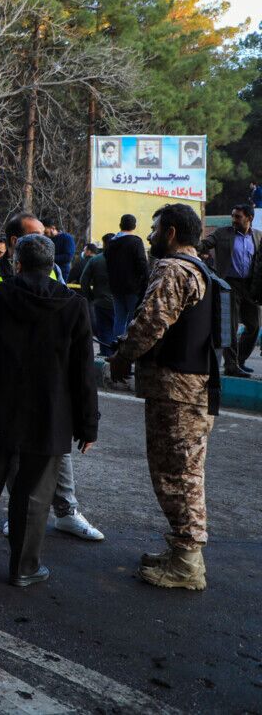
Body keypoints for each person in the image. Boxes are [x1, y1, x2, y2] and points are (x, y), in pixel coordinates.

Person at [0, 234, 98, 587]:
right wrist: (87, 425)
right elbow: (83, 373)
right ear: (53, 267)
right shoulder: (73, 305)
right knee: (34, 495)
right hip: (50, 418)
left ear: (16, 263)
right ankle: (24, 568)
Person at [108, 204, 219, 590]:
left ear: (170, 233)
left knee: (178, 475)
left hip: (178, 391)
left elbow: (151, 322)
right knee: (179, 470)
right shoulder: (199, 267)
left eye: (155, 229)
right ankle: (181, 551)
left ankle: (188, 564)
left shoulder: (173, 269)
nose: (150, 236)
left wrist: (123, 357)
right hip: (189, 388)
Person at [198, 203, 261, 377]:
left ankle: (239, 360)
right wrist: (192, 248)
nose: (234, 220)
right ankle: (231, 366)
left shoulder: (258, 236)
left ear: (249, 218)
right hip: (228, 284)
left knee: (254, 325)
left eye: (238, 217)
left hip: (250, 286)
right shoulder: (221, 233)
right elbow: (205, 244)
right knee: (230, 326)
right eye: (233, 216)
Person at [106, 213, 150, 345]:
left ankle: (116, 347)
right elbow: (142, 264)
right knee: (133, 318)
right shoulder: (136, 242)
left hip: (115, 287)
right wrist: (146, 281)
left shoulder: (112, 243)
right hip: (133, 288)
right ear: (134, 226)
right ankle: (129, 348)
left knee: (119, 318)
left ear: (120, 225)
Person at [79, 236, 115, 356]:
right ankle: (119, 360)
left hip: (101, 302)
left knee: (104, 330)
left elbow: (84, 280)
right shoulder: (124, 260)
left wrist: (90, 297)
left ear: (104, 244)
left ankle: (106, 358)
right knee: (121, 332)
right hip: (121, 304)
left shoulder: (96, 260)